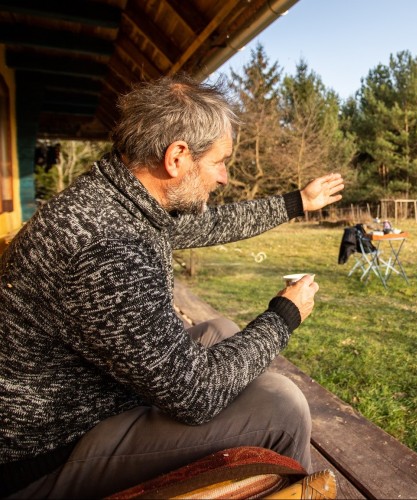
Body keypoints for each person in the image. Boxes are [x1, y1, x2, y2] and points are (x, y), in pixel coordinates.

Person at [0, 74, 344, 498]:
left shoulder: (121, 198)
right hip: (53, 452)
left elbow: (214, 222)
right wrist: (284, 316)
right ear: (177, 156)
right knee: (283, 407)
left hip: (88, 397)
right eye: (220, 161)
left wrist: (298, 202)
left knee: (218, 329)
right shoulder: (107, 250)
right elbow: (195, 394)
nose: (224, 177)